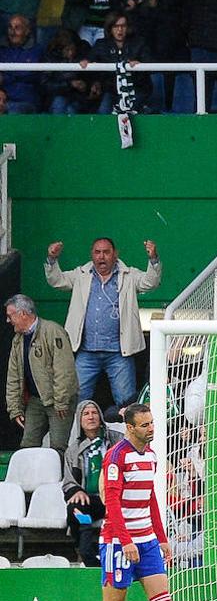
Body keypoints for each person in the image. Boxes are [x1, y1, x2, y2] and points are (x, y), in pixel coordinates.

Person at [97, 403, 189, 601]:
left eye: (152, 422)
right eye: (145, 424)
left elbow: (150, 498)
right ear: (130, 427)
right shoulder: (116, 458)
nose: (151, 428)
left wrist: (161, 538)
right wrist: (125, 541)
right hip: (117, 541)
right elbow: (111, 502)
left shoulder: (151, 456)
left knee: (162, 598)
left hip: (147, 540)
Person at [44, 237, 159, 409]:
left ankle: (128, 436)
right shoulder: (80, 275)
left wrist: (153, 259)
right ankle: (76, 436)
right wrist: (52, 259)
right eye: (97, 252)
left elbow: (150, 282)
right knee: (75, 401)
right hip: (86, 352)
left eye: (106, 252)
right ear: (92, 255)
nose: (101, 257)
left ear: (115, 254)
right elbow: (56, 280)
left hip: (119, 353)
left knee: (127, 403)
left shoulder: (128, 275)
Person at [5, 294, 77, 454]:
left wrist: (61, 401)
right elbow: (13, 377)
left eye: (10, 316)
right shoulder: (17, 340)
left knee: (58, 447)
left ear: (22, 313)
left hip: (59, 401)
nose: (8, 321)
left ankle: (61, 479)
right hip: (35, 401)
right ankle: (29, 479)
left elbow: (64, 370)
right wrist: (14, 409)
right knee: (27, 447)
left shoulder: (53, 331)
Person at [62, 399, 122, 566]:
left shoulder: (116, 440)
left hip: (115, 497)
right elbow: (68, 481)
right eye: (86, 414)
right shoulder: (73, 449)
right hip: (90, 500)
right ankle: (86, 553)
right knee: (75, 510)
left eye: (94, 413)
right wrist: (76, 491)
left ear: (101, 417)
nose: (91, 417)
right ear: (79, 420)